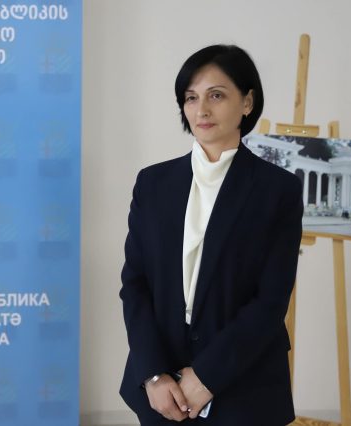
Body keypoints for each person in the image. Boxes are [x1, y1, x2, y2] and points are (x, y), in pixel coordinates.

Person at [119, 45, 302, 425]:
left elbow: (270, 301)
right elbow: (135, 285)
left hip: (244, 384)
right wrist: (153, 374)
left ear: (247, 102)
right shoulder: (153, 183)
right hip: (162, 389)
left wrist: (207, 376)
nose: (201, 109)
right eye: (191, 97)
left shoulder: (277, 190)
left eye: (216, 95)